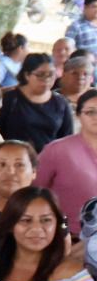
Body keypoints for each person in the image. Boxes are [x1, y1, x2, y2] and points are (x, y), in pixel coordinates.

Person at [32, 89, 97, 228]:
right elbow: (34, 192)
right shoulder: (57, 149)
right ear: (79, 115)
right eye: (91, 112)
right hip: (69, 238)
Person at [0, 54, 72, 150]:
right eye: (40, 75)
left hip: (49, 159)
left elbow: (66, 138)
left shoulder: (61, 103)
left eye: (51, 74)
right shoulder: (10, 99)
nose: (47, 79)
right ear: (27, 75)